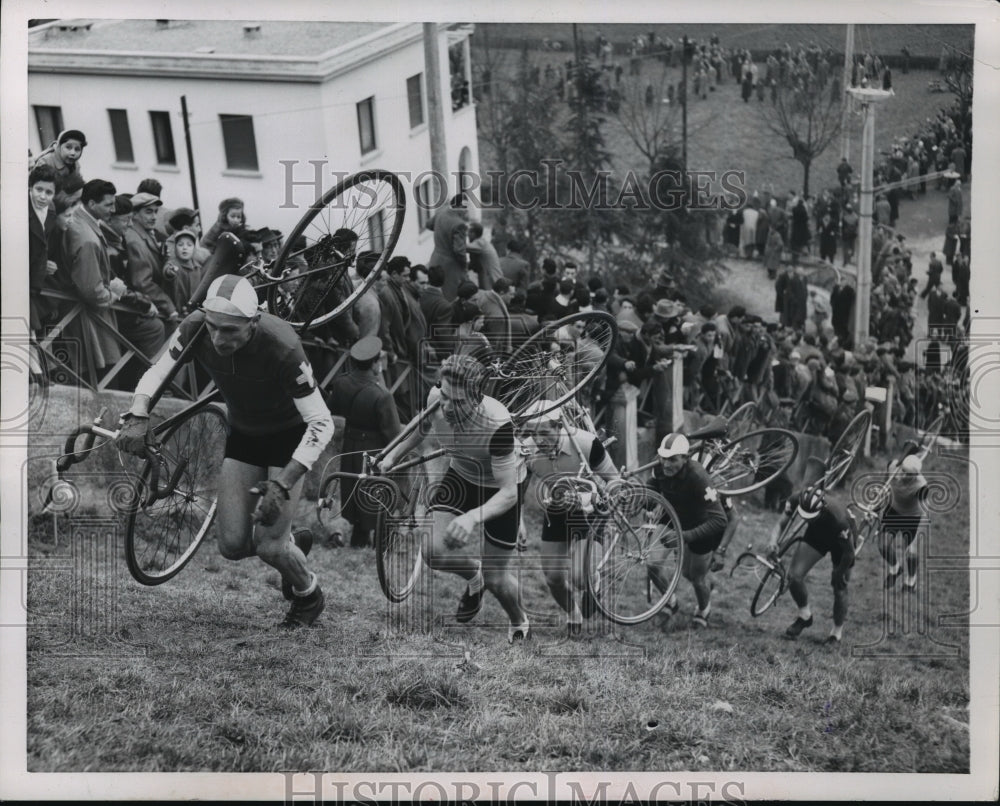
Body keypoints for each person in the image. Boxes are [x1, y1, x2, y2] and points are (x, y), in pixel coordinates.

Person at [115, 274, 334, 628]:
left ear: (254, 322)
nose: (218, 338)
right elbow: (158, 371)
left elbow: (323, 423)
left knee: (269, 547)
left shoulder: (283, 345)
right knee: (231, 546)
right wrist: (138, 414)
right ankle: (293, 542)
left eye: (230, 330)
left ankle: (309, 594)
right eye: (214, 327)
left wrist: (284, 483)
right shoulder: (196, 326)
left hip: (288, 438)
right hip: (245, 433)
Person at [378, 353, 531, 642]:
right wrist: (391, 455)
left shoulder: (498, 426)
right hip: (461, 474)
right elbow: (422, 424)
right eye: (444, 396)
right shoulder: (438, 396)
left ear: (477, 399)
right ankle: (475, 577)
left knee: (498, 579)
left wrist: (473, 517)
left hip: (499, 488)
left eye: (457, 402)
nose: (446, 406)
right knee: (433, 552)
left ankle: (519, 621)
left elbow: (509, 493)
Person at [518, 402, 618, 635]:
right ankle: (573, 613)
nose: (538, 440)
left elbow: (614, 482)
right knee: (553, 577)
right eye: (533, 433)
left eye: (544, 432)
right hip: (558, 506)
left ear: (559, 426)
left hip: (591, 508)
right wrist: (519, 522)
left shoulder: (585, 443)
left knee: (579, 578)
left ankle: (594, 583)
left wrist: (587, 498)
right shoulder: (527, 450)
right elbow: (517, 493)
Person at [323, 337, 403, 548]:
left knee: (352, 489)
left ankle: (359, 538)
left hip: (349, 446)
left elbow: (331, 409)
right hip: (374, 450)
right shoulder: (381, 395)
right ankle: (382, 541)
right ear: (376, 363)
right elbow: (394, 434)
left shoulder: (341, 383)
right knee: (375, 493)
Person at [647, 433, 728, 628]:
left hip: (698, 525)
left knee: (694, 577)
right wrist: (644, 500)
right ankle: (670, 602)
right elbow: (653, 487)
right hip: (671, 517)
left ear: (685, 458)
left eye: (673, 460)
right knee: (652, 564)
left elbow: (720, 520)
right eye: (663, 458)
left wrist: (685, 537)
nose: (666, 464)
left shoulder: (698, 476)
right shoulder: (658, 466)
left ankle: (703, 610)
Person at [767, 483, 855, 644]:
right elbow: (781, 524)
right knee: (794, 576)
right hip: (817, 535)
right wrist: (773, 541)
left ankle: (836, 632)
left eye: (811, 517)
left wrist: (839, 572)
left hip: (841, 543)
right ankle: (805, 615)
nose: (806, 519)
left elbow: (849, 553)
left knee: (839, 587)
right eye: (804, 516)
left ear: (820, 511)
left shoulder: (839, 519)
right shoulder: (797, 499)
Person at [878, 453, 929, 593]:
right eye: (903, 470)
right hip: (893, 511)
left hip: (912, 517)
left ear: (915, 475)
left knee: (911, 553)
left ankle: (911, 581)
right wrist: (879, 508)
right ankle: (895, 569)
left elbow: (925, 514)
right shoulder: (893, 466)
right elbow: (884, 486)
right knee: (882, 546)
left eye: (908, 474)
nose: (903, 475)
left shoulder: (921, 485)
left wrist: (914, 541)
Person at [29, 164, 58, 336]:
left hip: (36, 279)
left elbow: (43, 243)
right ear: (30, 187)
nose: (42, 196)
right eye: (38, 189)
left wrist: (44, 261)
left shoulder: (51, 211)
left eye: (49, 192)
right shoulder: (20, 209)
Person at [427, 194, 469, 301]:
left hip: (435, 260)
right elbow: (459, 251)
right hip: (451, 267)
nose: (466, 211)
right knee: (451, 298)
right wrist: (465, 266)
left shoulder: (441, 212)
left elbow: (428, 224)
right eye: (465, 208)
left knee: (436, 294)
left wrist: (441, 231)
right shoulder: (459, 224)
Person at [467, 221, 503, 290]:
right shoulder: (483, 243)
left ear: (473, 233)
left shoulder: (479, 242)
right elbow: (472, 264)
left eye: (469, 232)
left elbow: (462, 247)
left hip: (492, 279)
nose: (467, 235)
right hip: (493, 278)